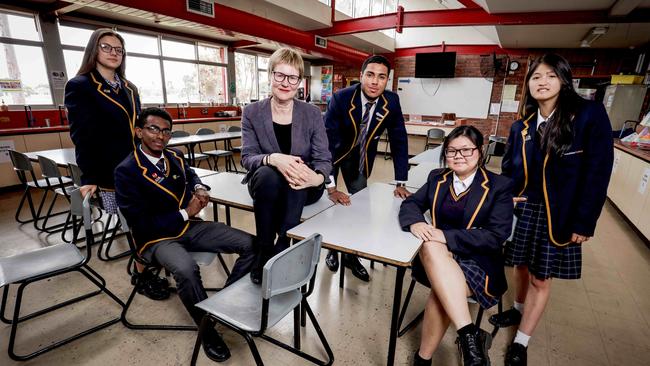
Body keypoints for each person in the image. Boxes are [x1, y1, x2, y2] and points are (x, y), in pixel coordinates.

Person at [492, 53, 614, 366]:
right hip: (524, 209)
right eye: (536, 76)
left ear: (563, 80)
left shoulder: (587, 114)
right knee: (518, 265)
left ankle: (521, 341)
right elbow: (509, 169)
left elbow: (598, 171)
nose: (542, 82)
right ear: (528, 84)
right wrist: (503, 199)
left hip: (559, 212)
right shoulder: (522, 125)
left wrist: (585, 221)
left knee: (540, 279)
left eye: (550, 75)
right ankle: (517, 310)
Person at [115, 107, 256, 363]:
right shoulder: (127, 170)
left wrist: (200, 187)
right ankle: (208, 330)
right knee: (186, 269)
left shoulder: (175, 156)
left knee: (250, 244)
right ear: (139, 132)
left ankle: (223, 306)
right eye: (153, 129)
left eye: (166, 131)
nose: (161, 136)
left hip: (187, 226)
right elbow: (140, 224)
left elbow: (191, 175)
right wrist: (185, 212)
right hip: (155, 238)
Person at [65, 28, 167, 300]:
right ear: (93, 51)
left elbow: (137, 128)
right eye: (106, 47)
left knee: (147, 220)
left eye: (118, 49)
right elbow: (81, 135)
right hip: (109, 171)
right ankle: (142, 274)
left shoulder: (130, 88)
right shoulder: (81, 85)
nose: (114, 53)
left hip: (138, 166)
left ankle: (147, 266)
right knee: (135, 223)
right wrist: (88, 178)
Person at [399, 126, 513, 366]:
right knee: (431, 246)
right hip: (437, 259)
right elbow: (411, 204)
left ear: (480, 152)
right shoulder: (437, 177)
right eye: (451, 151)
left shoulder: (498, 186)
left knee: (440, 291)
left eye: (466, 150)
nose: (458, 156)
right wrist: (416, 223)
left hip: (478, 262)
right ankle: (469, 334)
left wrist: (445, 236)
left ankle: (423, 360)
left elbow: (495, 237)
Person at [240, 48, 332, 284]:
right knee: (269, 175)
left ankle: (283, 243)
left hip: (305, 185)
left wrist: (318, 178)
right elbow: (247, 157)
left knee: (298, 173)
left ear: (299, 82)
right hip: (266, 184)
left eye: (292, 77)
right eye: (280, 75)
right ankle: (264, 246)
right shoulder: (251, 112)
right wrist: (273, 158)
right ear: (270, 75)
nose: (285, 83)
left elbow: (323, 159)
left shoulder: (312, 113)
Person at [324, 54, 410, 281]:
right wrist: (331, 187)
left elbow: (399, 139)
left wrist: (401, 181)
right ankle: (332, 249)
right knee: (332, 203)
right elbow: (327, 142)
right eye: (370, 75)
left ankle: (351, 257)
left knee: (359, 207)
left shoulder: (392, 101)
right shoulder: (341, 98)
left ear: (387, 80)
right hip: (335, 152)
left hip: (360, 157)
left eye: (381, 77)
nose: (375, 81)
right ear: (361, 76)